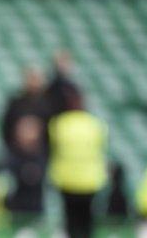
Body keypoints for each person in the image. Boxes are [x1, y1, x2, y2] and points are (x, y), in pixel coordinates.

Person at [48, 89, 107, 238]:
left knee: (71, 221)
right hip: (90, 181)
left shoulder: (59, 124)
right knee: (86, 221)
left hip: (66, 180)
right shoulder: (95, 124)